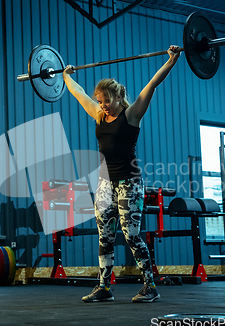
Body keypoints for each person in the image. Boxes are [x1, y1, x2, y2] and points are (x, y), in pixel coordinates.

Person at [63, 45, 181, 303]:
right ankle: (104, 287)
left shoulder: (132, 115)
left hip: (130, 183)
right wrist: (66, 75)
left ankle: (150, 286)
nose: (103, 105)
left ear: (118, 98)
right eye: (101, 100)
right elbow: (79, 93)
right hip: (105, 184)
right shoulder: (97, 114)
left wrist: (172, 60)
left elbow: (152, 84)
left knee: (131, 235)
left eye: (107, 101)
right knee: (104, 237)